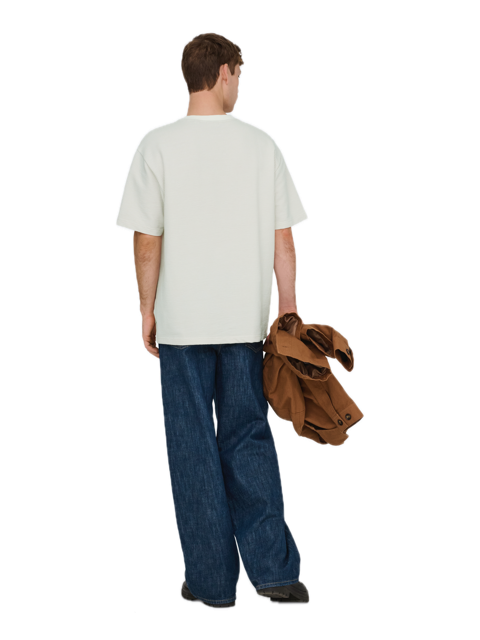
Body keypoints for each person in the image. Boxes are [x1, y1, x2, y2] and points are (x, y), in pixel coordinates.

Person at [115, 31, 309, 608]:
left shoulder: (156, 144)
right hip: (244, 322)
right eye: (239, 74)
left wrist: (147, 308)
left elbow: (146, 242)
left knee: (192, 447)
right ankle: (275, 575)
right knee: (249, 437)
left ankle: (211, 583)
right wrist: (289, 310)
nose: (239, 84)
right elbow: (283, 241)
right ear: (224, 71)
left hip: (181, 326)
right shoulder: (261, 145)